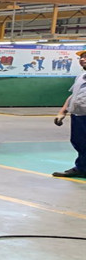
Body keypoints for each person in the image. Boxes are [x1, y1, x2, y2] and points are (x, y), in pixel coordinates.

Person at [52, 50, 86, 178]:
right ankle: (82, 168)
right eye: (81, 57)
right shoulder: (80, 77)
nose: (82, 59)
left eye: (85, 57)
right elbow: (73, 95)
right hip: (78, 116)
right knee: (79, 143)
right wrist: (62, 112)